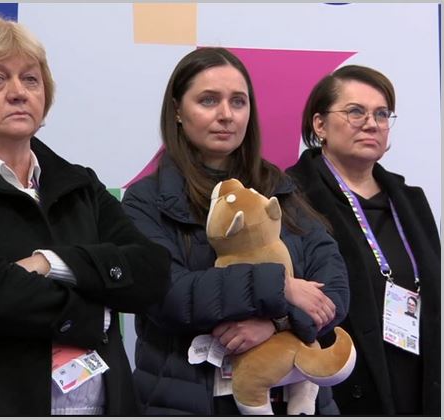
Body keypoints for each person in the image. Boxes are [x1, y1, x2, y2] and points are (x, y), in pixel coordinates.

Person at [0, 14, 170, 416]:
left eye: (31, 79)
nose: (19, 92)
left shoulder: (80, 183)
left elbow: (153, 272)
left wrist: (50, 264)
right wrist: (98, 311)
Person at [121, 47, 350, 416]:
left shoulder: (280, 188)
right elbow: (170, 295)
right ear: (177, 110)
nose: (226, 114)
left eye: (238, 102)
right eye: (208, 100)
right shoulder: (145, 200)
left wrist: (277, 323)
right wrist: (281, 287)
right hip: (191, 402)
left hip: (294, 400)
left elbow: (333, 288)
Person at [286, 64, 440, 415]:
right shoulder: (292, 196)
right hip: (339, 388)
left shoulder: (411, 201)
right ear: (320, 125)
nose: (372, 124)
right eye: (356, 111)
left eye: (381, 114)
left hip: (420, 384)